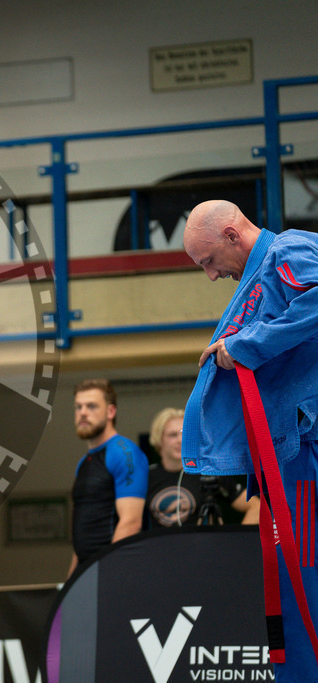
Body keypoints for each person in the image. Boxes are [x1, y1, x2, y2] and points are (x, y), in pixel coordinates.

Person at [182, 199, 318, 681]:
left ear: (232, 236)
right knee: (293, 576)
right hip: (288, 453)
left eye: (209, 262)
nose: (211, 276)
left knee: (303, 575)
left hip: (306, 451)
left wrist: (242, 346)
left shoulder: (288, 252)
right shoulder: (260, 277)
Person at [68, 379, 148, 577]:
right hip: (87, 572)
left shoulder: (125, 453)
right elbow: (83, 529)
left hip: (114, 573)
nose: (83, 412)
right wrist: (71, 583)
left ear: (111, 412)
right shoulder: (84, 462)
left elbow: (131, 522)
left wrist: (107, 575)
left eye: (91, 406)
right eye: (78, 407)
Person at [142, 407, 258, 529]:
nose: (180, 440)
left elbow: (256, 507)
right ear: (158, 439)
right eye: (172, 435)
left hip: (202, 547)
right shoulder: (146, 476)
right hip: (159, 546)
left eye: (184, 434)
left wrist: (236, 542)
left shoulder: (206, 473)